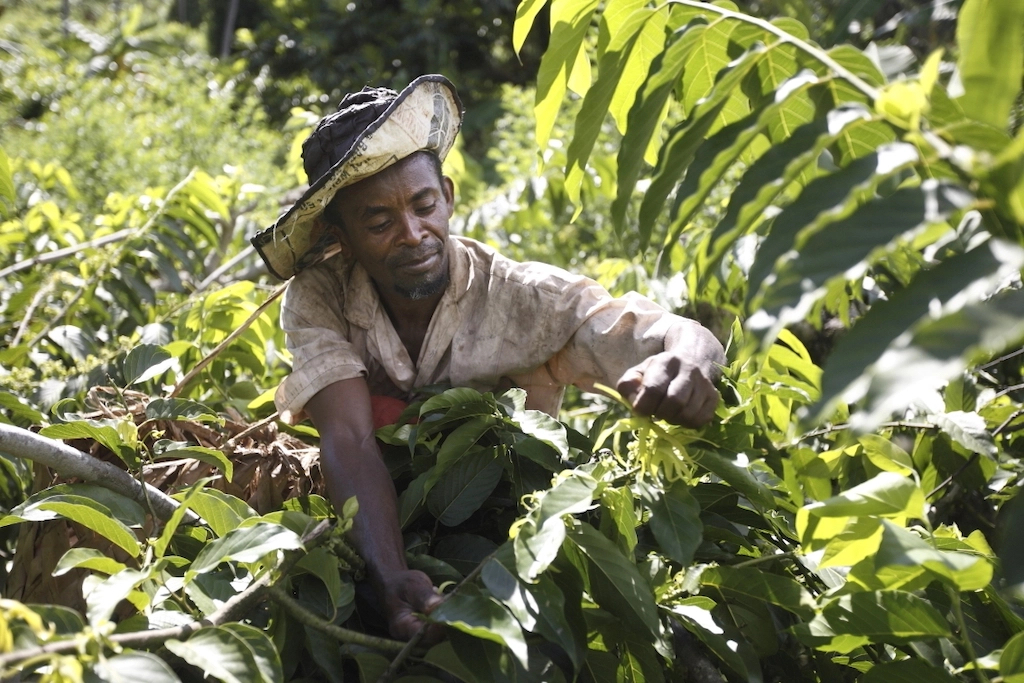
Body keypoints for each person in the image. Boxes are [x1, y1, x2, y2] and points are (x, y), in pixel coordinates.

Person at [251, 75, 725, 641]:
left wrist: (690, 362)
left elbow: (659, 331)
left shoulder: (522, 297)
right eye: (378, 222)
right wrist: (391, 576)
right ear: (342, 237)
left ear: (447, 196)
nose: (412, 233)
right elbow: (348, 438)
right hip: (369, 524)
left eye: (424, 205)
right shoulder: (321, 293)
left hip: (506, 531)